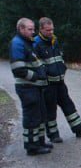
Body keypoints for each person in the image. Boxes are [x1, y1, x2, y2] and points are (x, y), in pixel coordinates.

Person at [34, 17, 81, 143]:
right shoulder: (36, 44)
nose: (51, 32)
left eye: (52, 29)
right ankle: (53, 135)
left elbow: (58, 58)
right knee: (50, 110)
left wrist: (63, 68)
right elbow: (37, 65)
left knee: (69, 106)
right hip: (48, 84)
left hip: (60, 82)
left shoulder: (54, 41)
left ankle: (79, 129)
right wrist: (46, 74)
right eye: (48, 30)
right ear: (40, 29)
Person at [9, 18, 51, 155]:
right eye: (30, 29)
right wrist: (37, 77)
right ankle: (32, 147)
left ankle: (39, 142)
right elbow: (18, 70)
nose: (33, 32)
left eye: (33, 29)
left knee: (39, 115)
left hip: (34, 86)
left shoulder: (27, 42)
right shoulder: (17, 44)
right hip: (27, 87)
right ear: (21, 29)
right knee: (32, 116)